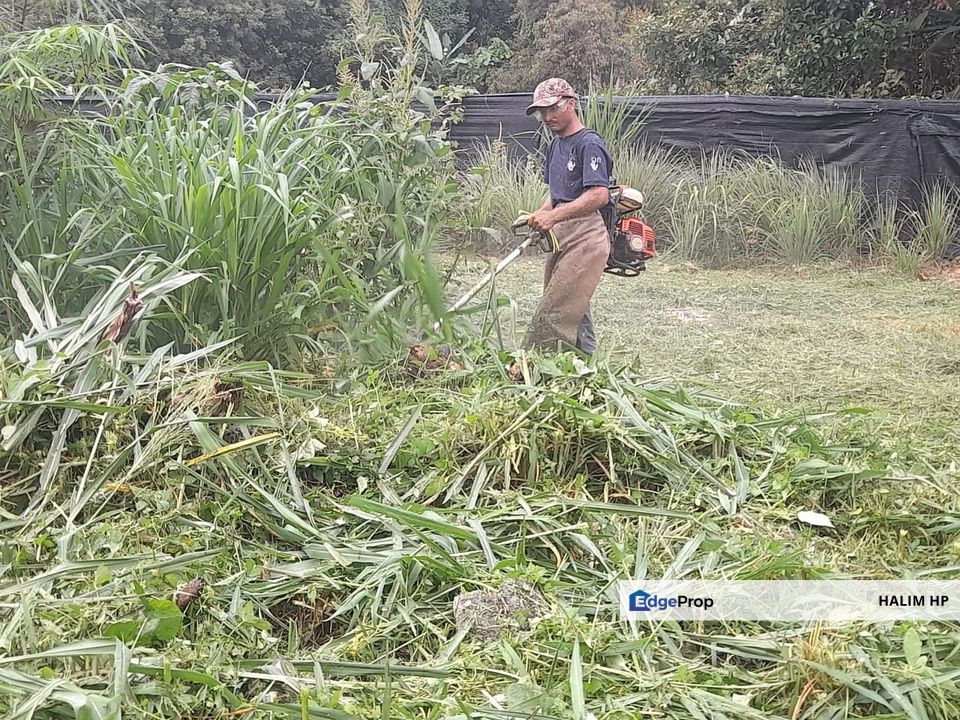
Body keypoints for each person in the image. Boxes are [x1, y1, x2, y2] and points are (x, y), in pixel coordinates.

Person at [520, 77, 614, 357]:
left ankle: (536, 362)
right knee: (570, 301)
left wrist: (555, 216)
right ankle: (583, 363)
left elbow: (599, 195)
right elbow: (556, 194)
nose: (547, 117)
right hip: (562, 233)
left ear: (570, 104)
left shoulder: (589, 143)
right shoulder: (555, 145)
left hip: (587, 235)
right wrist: (541, 214)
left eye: (552, 109)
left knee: (556, 308)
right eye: (541, 112)